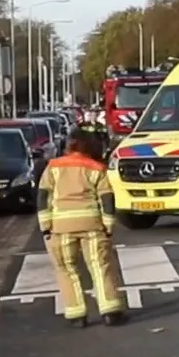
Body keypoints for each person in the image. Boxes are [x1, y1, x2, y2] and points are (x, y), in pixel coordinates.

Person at [37, 131, 129, 328]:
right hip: (92, 225)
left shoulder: (53, 167)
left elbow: (43, 198)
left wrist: (46, 227)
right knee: (100, 267)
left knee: (66, 269)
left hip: (60, 227)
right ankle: (110, 310)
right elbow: (107, 199)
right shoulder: (96, 168)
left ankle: (76, 314)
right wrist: (108, 226)